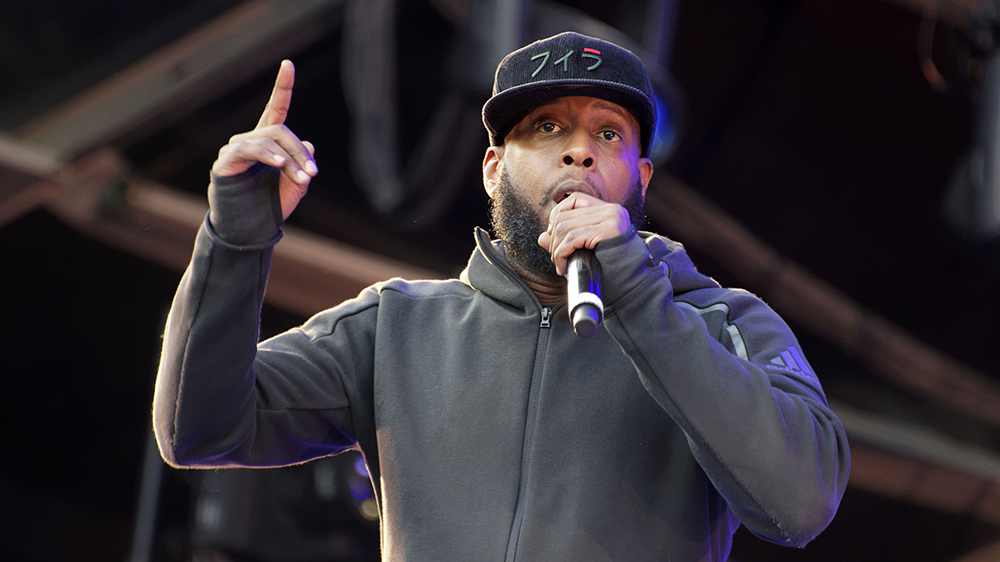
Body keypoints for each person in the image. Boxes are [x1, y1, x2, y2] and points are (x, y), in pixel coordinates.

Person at [153, 32, 849, 561]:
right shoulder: (394, 327)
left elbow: (799, 504)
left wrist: (638, 295)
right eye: (547, 128)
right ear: (492, 169)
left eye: (608, 133)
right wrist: (236, 239)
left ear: (640, 179)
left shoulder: (720, 322)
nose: (579, 152)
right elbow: (200, 428)